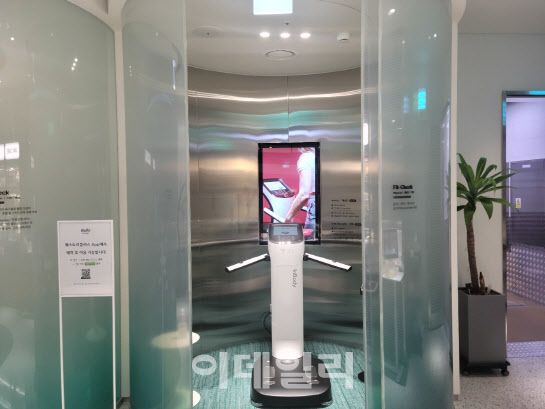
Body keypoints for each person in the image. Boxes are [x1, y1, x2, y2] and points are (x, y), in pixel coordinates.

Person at [285, 147, 316, 234]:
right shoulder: (319, 156)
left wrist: (287, 219)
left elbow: (304, 194)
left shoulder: (306, 157)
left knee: (311, 239)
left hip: (315, 205)